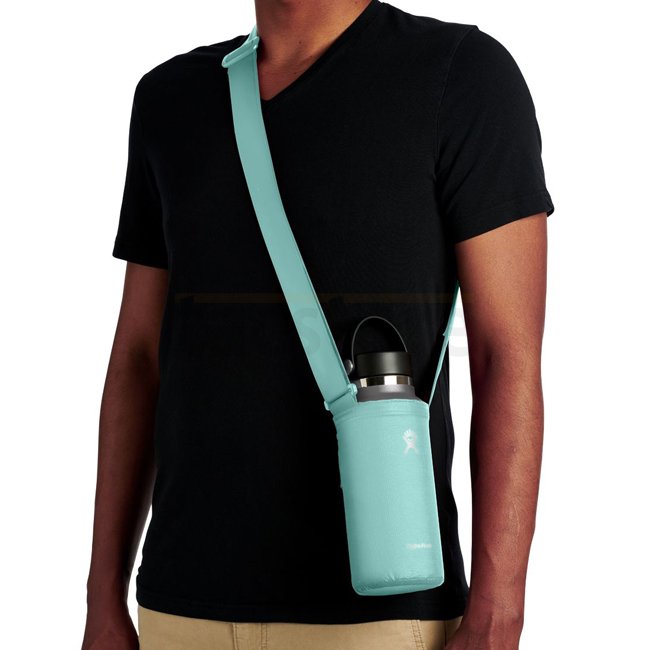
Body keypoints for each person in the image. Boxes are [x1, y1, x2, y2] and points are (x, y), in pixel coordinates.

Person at [81, 0, 554, 648]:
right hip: (179, 607)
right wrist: (102, 597)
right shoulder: (169, 99)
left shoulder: (461, 74)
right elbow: (139, 357)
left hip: (378, 616)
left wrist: (498, 615)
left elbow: (507, 358)